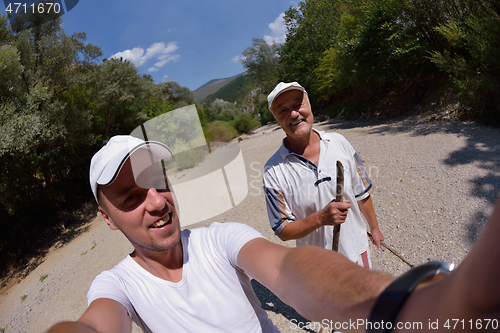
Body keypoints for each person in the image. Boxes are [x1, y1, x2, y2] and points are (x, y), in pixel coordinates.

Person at [46, 135, 500, 333]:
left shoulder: (218, 239)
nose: (157, 201)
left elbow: (288, 268)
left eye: (158, 183)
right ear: (107, 218)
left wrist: (407, 306)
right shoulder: (115, 286)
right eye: (129, 198)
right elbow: (95, 324)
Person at [263, 82, 384, 269]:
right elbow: (282, 229)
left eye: (298, 105)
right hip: (317, 264)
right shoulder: (272, 170)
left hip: (357, 252)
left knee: (365, 297)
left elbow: (362, 192)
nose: (294, 114)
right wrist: (320, 218)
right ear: (276, 120)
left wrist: (374, 229)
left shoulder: (340, 142)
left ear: (309, 105)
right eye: (284, 110)